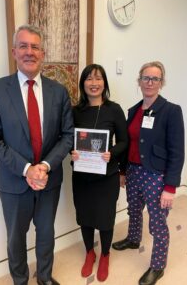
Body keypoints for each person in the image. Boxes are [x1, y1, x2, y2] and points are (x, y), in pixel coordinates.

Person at [0, 24, 73, 285]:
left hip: (49, 180)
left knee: (46, 234)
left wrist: (44, 166)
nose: (29, 52)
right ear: (14, 51)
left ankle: (44, 278)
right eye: (23, 46)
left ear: (43, 53)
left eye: (35, 47)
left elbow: (67, 136)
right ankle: (20, 281)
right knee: (16, 238)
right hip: (13, 182)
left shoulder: (59, 91)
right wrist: (26, 169)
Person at [112, 61, 185, 285]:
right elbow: (127, 143)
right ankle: (134, 240)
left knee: (157, 222)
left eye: (155, 78)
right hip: (133, 172)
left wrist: (170, 187)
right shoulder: (134, 110)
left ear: (161, 83)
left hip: (156, 176)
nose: (150, 82)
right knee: (134, 211)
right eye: (146, 78)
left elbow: (177, 151)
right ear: (139, 81)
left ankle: (158, 265)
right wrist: (122, 171)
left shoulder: (171, 111)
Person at [71, 64, 128, 282]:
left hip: (107, 176)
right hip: (82, 177)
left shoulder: (114, 109)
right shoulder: (75, 111)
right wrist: (72, 152)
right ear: (83, 83)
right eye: (89, 79)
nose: (94, 83)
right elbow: (68, 139)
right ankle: (89, 252)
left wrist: (111, 153)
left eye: (98, 79)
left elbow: (124, 141)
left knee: (105, 218)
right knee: (85, 217)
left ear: (104, 83)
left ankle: (104, 254)